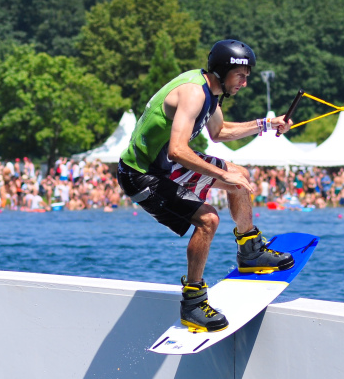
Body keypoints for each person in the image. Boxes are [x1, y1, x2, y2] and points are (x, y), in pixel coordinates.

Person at [117, 39, 294, 333]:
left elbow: (219, 132)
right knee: (209, 219)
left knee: (240, 175)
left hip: (165, 164)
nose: (245, 83)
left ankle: (250, 252)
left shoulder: (212, 91)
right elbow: (177, 149)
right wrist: (222, 177)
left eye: (248, 76)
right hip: (140, 173)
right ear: (224, 72)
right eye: (241, 76)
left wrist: (266, 124)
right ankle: (193, 303)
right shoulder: (193, 94)